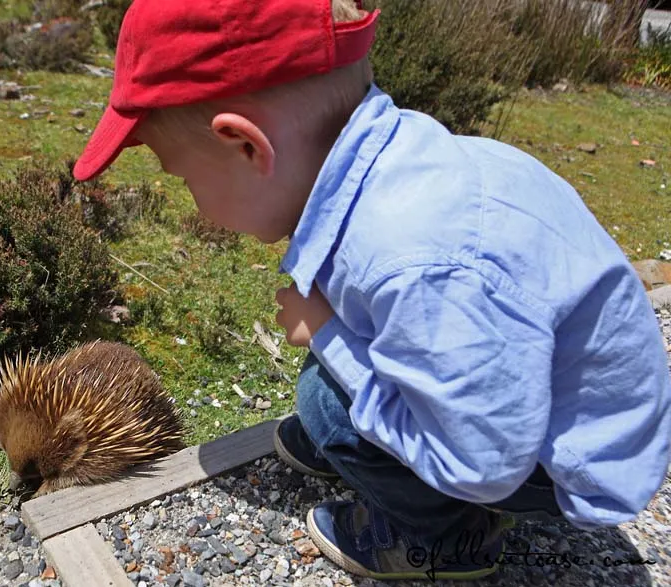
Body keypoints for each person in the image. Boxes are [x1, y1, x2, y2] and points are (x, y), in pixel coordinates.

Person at [70, 0, 671, 580]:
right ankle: (362, 441)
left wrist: (327, 334)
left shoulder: (411, 260)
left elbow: (481, 463)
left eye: (183, 178)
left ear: (247, 146)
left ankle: (444, 539)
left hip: (565, 462)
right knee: (329, 376)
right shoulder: (410, 163)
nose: (194, 203)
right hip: (541, 395)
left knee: (328, 407)